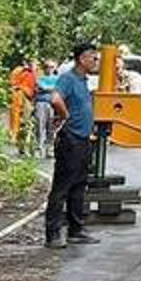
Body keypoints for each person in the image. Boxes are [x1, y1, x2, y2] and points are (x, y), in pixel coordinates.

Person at [44, 43, 102, 250]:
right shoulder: (68, 79)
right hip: (71, 140)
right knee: (62, 188)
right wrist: (65, 115)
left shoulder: (84, 81)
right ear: (81, 59)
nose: (96, 62)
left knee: (78, 187)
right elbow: (55, 99)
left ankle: (76, 231)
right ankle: (52, 234)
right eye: (93, 58)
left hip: (84, 140)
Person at [35, 60, 59, 158]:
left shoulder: (57, 78)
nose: (49, 69)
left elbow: (57, 89)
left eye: (51, 67)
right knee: (40, 126)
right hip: (41, 103)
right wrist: (50, 89)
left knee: (51, 128)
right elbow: (41, 87)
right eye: (47, 67)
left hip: (53, 104)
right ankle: (39, 148)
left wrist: (46, 89)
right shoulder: (40, 78)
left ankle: (50, 149)